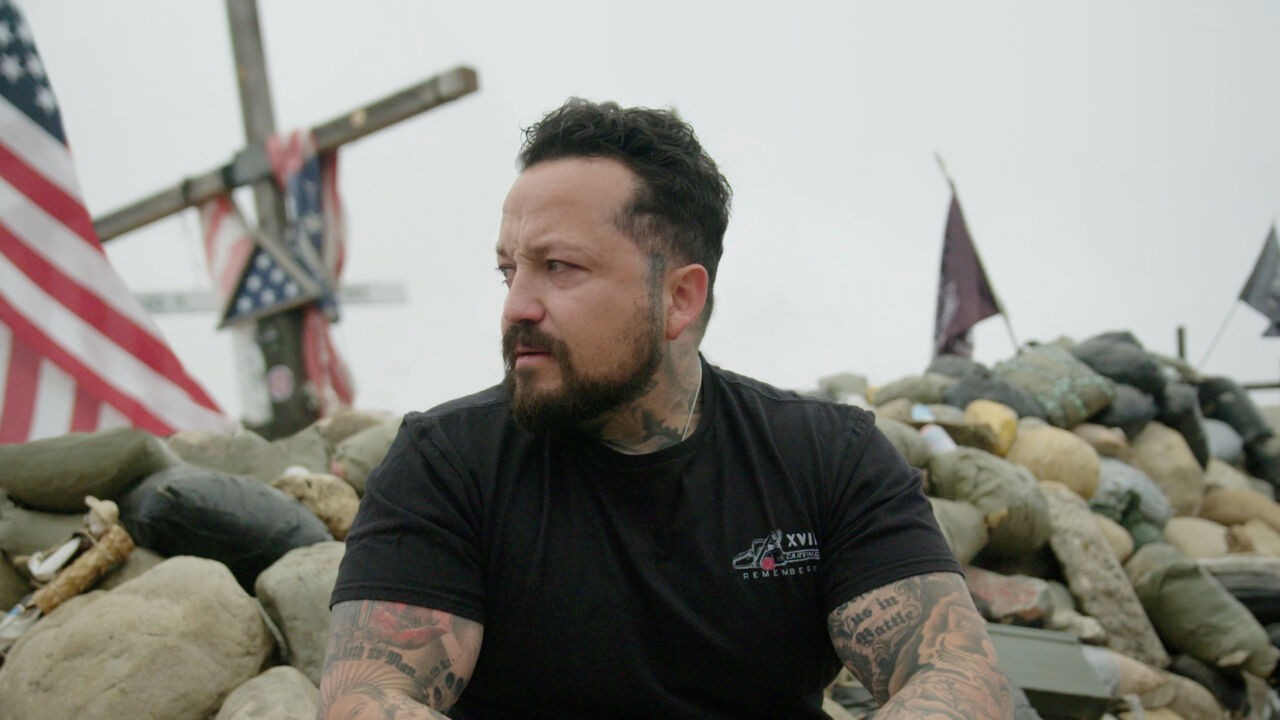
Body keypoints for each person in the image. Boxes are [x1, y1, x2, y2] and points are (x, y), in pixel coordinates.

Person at [317, 98, 1014, 719]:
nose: (516, 306)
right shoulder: (447, 463)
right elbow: (367, 698)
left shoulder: (825, 459)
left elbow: (954, 673)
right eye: (510, 270)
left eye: (559, 267)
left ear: (680, 298)